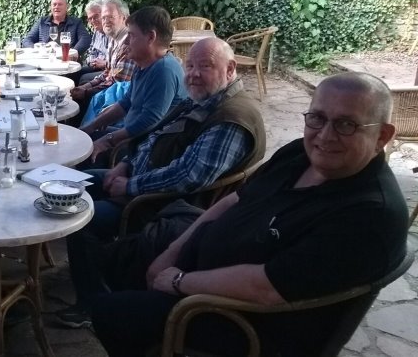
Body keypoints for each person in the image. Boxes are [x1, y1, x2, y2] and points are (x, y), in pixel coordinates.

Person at [92, 72, 408, 357]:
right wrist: (173, 251)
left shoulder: (369, 214)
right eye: (317, 118)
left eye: (346, 124)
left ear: (382, 136)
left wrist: (178, 280)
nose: (325, 136)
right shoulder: (299, 154)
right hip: (204, 273)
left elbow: (267, 288)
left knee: (111, 311)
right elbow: (234, 199)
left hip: (243, 320)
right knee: (110, 260)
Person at [57, 36, 266, 329]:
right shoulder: (204, 100)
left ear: (230, 69)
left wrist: (129, 185)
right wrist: (126, 164)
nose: (193, 74)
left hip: (160, 205)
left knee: (79, 220)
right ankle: (101, 265)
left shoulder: (232, 118)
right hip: (140, 180)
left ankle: (91, 304)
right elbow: (156, 135)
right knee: (68, 183)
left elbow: (187, 176)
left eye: (205, 66)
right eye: (189, 66)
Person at [79, 5, 187, 164]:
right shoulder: (144, 64)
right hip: (133, 136)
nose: (127, 41)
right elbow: (125, 104)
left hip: (145, 149)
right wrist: (91, 126)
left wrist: (107, 141)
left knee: (82, 154)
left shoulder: (164, 70)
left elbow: (149, 122)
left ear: (151, 37)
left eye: (131, 35)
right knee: (80, 140)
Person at [71, 0, 137, 108]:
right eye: (103, 17)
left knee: (78, 101)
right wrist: (86, 87)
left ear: (125, 18)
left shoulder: (128, 44)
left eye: (110, 17)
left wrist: (86, 92)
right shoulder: (114, 39)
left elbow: (118, 86)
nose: (105, 21)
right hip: (114, 92)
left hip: (123, 103)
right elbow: (107, 73)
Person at [22, 0, 92, 56]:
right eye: (54, 4)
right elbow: (27, 40)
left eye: (60, 4)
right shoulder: (42, 22)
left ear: (67, 7)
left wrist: (72, 53)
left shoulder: (76, 22)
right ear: (51, 7)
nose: (56, 7)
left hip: (66, 58)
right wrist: (36, 51)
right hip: (45, 58)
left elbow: (85, 39)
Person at [80, 0, 109, 85]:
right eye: (90, 18)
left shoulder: (112, 32)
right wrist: (91, 62)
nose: (93, 20)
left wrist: (104, 63)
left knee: (84, 79)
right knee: (75, 73)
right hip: (96, 66)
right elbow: (91, 52)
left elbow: (118, 62)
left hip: (108, 69)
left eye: (96, 16)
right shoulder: (97, 32)